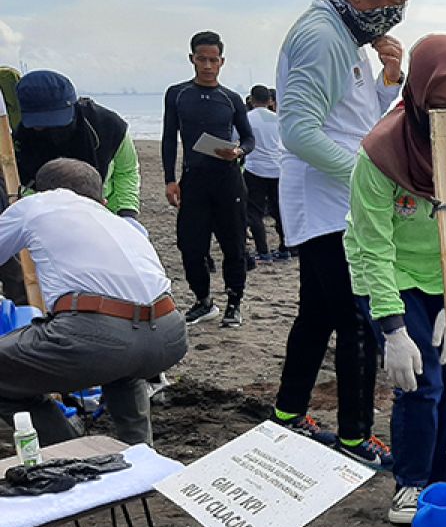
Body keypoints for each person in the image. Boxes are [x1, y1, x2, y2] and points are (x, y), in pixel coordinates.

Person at [345, 35, 446, 525]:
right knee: (419, 382)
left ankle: (442, 478)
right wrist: (393, 329)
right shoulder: (379, 154)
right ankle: (410, 483)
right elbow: (375, 245)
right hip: (389, 271)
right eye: (440, 107)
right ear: (416, 98)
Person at [270, 0, 414, 468]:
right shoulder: (321, 37)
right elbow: (300, 133)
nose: (395, 16)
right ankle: (355, 438)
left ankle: (287, 415)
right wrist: (371, 180)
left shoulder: (343, 33)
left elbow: (352, 118)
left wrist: (388, 79)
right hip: (329, 203)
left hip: (335, 200)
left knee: (317, 314)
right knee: (356, 319)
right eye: (392, 3)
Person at [0, 159, 186, 446]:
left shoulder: (38, 204)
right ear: (101, 199)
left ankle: (70, 451)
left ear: (37, 191)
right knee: (123, 367)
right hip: (169, 335)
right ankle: (140, 453)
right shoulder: (120, 222)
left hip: (100, 337)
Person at [162, 30, 255, 328]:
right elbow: (168, 138)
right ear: (192, 59)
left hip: (228, 180)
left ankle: (234, 303)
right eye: (201, 59)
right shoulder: (177, 94)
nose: (207, 65)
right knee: (190, 247)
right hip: (193, 180)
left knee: (234, 246)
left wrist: (239, 151)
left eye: (213, 60)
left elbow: (250, 138)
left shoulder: (231, 98)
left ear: (222, 62)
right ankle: (203, 301)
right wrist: (169, 179)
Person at [14, 70, 141, 223]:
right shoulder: (17, 138)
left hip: (105, 211)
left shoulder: (110, 127)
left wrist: (127, 214)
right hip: (44, 213)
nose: (47, 127)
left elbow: (126, 172)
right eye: (40, 123)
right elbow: (19, 183)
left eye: (56, 120)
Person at [242, 84, 287, 262]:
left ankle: (263, 251)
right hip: (277, 169)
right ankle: (285, 247)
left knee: (254, 212)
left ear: (252, 100)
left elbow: (235, 138)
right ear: (270, 101)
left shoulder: (247, 118)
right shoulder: (278, 119)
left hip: (255, 169)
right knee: (279, 210)